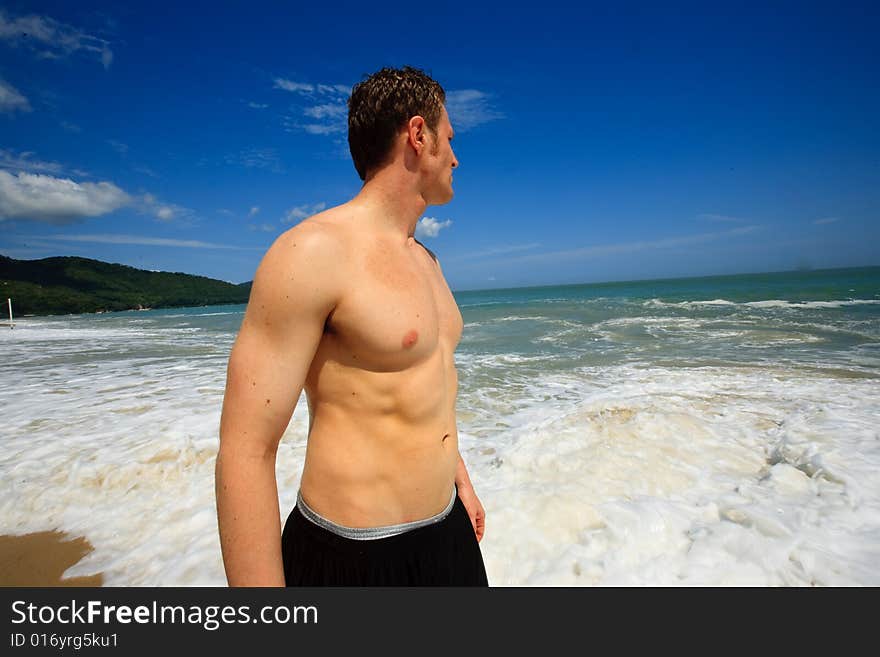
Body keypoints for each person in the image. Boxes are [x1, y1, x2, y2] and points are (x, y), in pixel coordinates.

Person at [215, 66, 488, 586]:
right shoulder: (311, 252)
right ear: (417, 135)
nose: (455, 158)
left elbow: (427, 391)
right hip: (352, 556)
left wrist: (462, 484)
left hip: (447, 535)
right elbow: (246, 450)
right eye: (449, 139)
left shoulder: (427, 261)